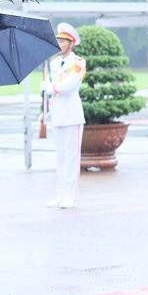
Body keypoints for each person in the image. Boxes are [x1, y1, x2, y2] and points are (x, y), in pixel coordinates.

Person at [42, 22, 86, 209]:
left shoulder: (78, 63)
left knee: (71, 158)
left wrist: (50, 88)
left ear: (71, 42)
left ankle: (70, 196)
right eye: (58, 39)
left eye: (63, 40)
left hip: (72, 115)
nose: (59, 43)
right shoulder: (52, 63)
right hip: (58, 114)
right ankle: (60, 195)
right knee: (60, 158)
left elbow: (68, 86)